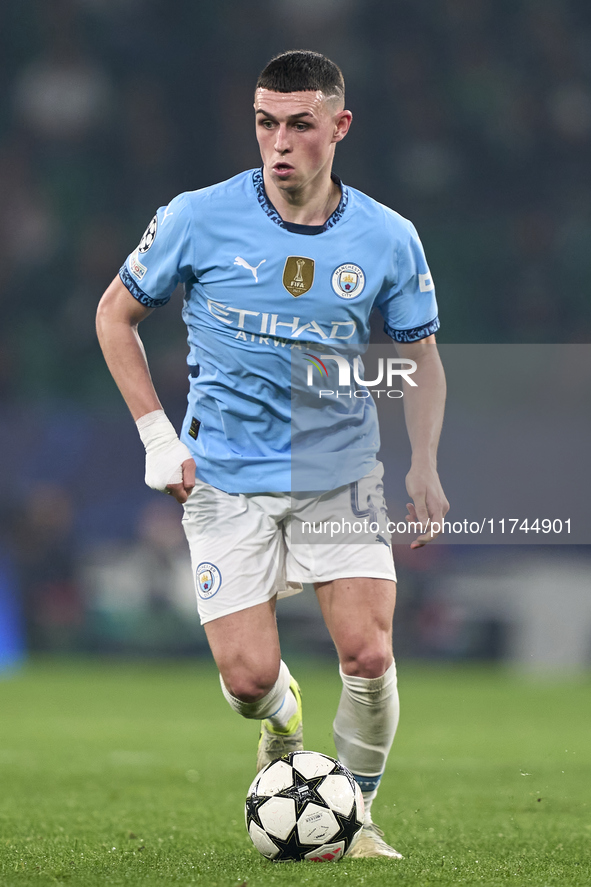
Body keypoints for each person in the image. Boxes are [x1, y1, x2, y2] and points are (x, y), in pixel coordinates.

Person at [96, 50, 449, 859]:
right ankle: (284, 722)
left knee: (367, 650)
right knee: (248, 680)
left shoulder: (388, 237)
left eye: (298, 124)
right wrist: (157, 434)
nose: (279, 142)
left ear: (338, 126)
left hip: (338, 472)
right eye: (265, 123)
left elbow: (419, 355)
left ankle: (354, 818)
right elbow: (114, 317)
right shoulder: (195, 216)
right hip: (223, 477)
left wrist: (422, 461)